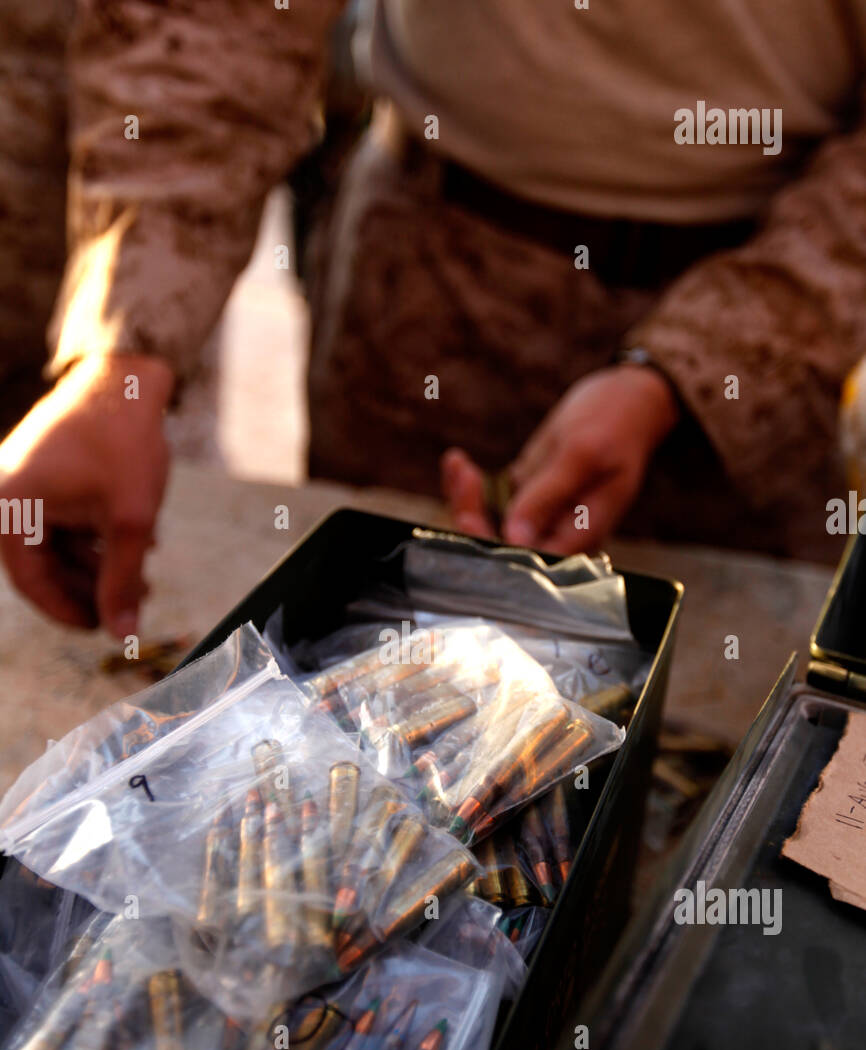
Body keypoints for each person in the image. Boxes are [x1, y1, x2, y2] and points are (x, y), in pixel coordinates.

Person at [2, 0, 865, 638]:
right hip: (432, 291)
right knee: (372, 714)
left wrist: (697, 363)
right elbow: (217, 26)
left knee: (719, 744)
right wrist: (122, 356)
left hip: (773, 345)